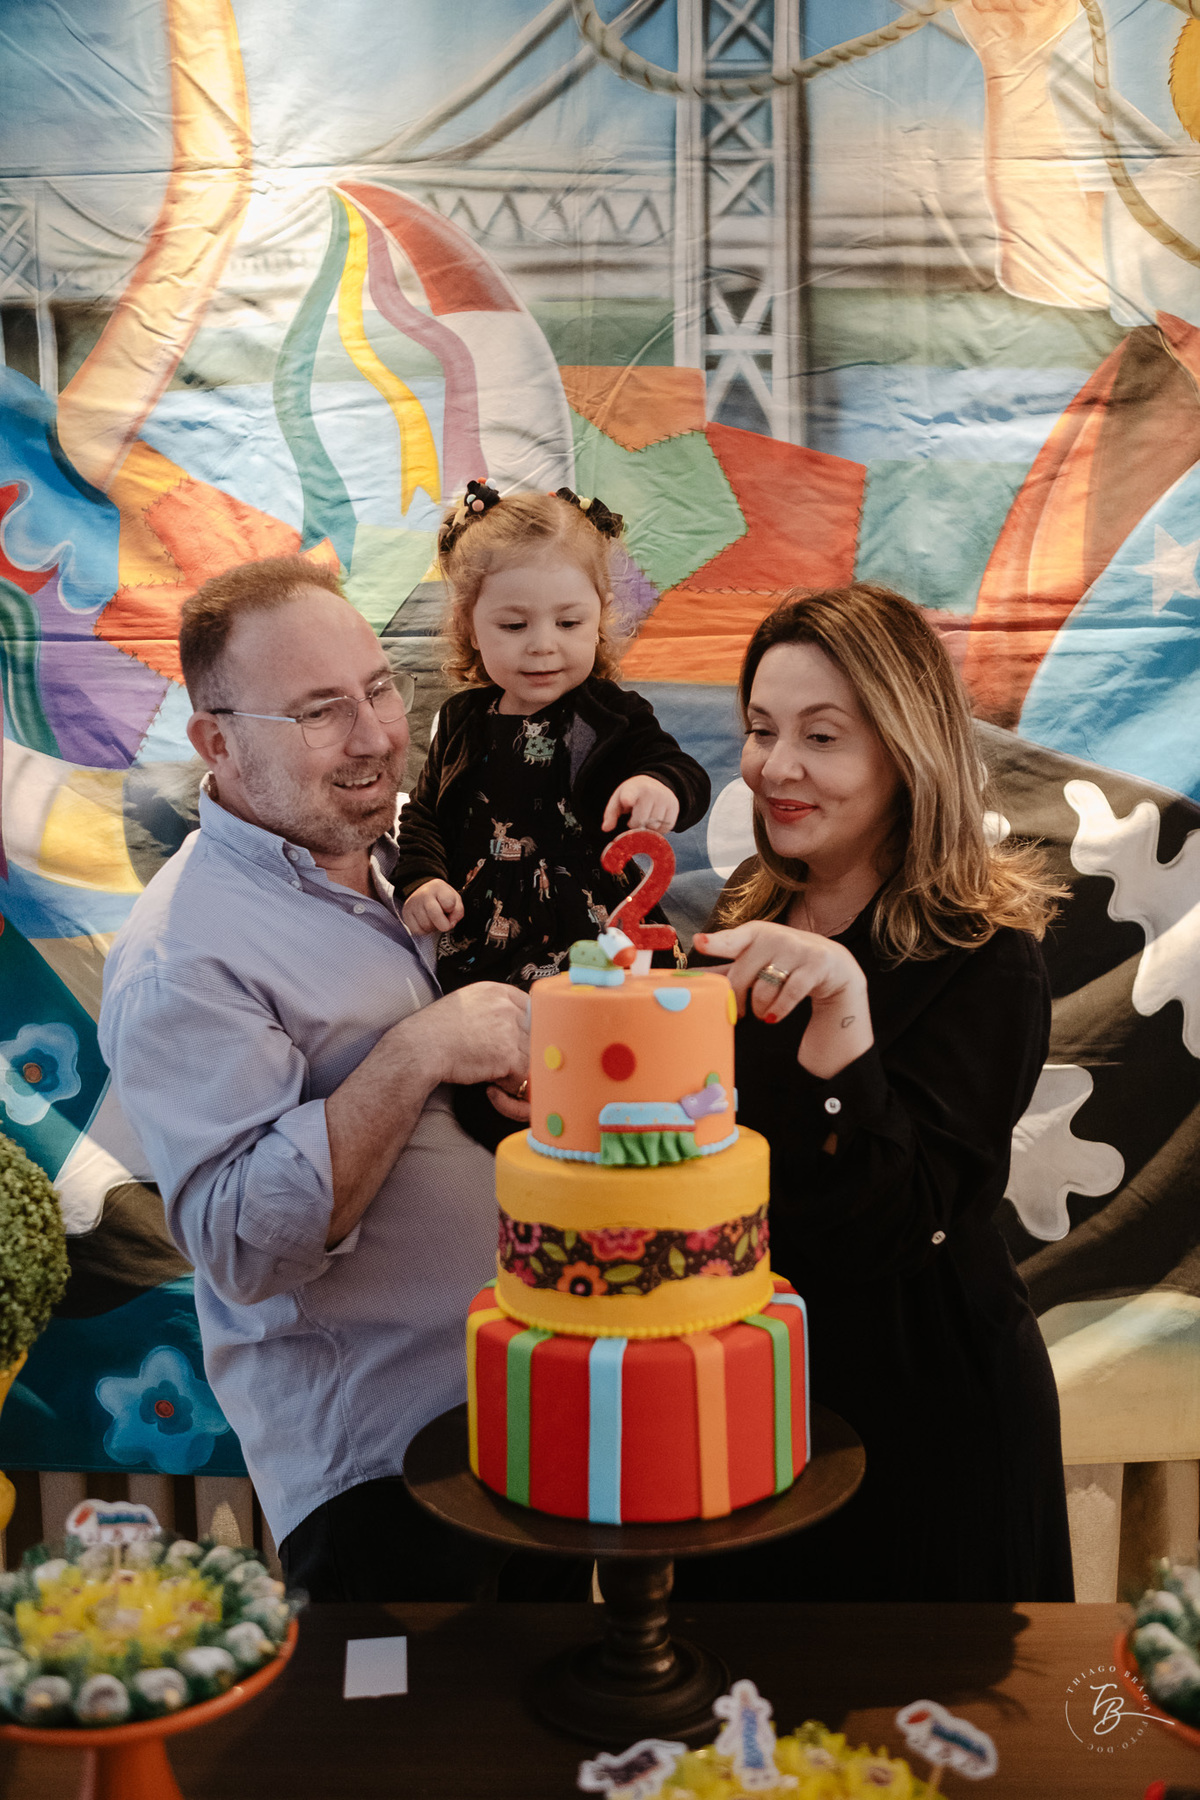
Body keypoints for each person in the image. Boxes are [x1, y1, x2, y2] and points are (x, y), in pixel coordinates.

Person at [98, 554, 575, 1603]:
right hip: (390, 1484)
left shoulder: (402, 863)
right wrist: (417, 1055)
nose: (374, 735)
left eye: (377, 688)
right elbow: (239, 1242)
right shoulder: (186, 956)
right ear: (216, 743)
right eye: (319, 712)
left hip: (527, 1425)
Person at [673, 583, 1075, 1603]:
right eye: (763, 730)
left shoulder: (988, 957)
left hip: (924, 1425)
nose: (777, 767)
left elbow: (894, 1227)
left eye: (822, 735)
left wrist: (842, 1016)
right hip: (754, 1406)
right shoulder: (746, 915)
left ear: (905, 753)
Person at [395, 483, 710, 1145]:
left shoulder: (612, 716)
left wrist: (660, 786)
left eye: (569, 624)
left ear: (598, 618)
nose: (543, 645)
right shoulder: (460, 721)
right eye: (514, 625)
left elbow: (686, 773)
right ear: (469, 627)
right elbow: (424, 815)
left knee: (620, 1081)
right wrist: (421, 879)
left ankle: (618, 1160)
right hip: (489, 953)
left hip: (595, 944)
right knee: (498, 1092)